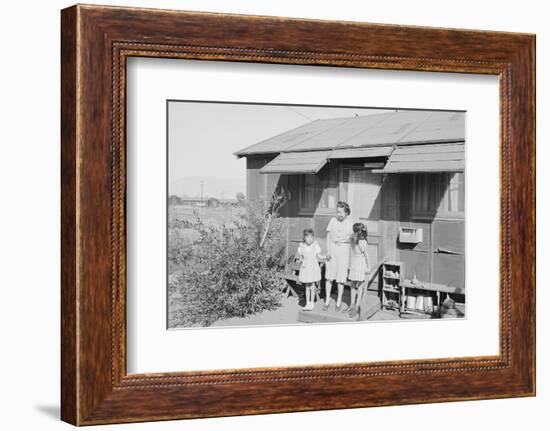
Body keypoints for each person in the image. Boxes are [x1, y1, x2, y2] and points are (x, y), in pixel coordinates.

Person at [324, 201, 354, 312]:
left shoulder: (350, 223)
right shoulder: (333, 221)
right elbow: (328, 236)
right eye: (338, 212)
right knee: (329, 276)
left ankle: (338, 301)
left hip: (343, 250)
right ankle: (327, 300)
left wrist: (343, 240)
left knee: (341, 277)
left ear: (346, 212)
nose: (339, 214)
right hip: (332, 249)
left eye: (341, 212)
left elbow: (352, 239)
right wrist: (328, 251)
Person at [346, 222, 370, 318]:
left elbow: (366, 255)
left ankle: (357, 306)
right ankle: (351, 304)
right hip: (354, 262)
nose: (354, 232)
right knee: (352, 284)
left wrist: (368, 267)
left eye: (356, 231)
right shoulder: (354, 240)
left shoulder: (362, 242)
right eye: (353, 231)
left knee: (359, 286)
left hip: (361, 263)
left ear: (360, 231)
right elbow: (349, 239)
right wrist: (352, 237)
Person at [296, 228, 324, 311]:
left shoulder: (315, 246)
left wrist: (325, 258)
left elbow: (319, 256)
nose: (310, 239)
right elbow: (301, 257)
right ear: (304, 238)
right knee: (307, 286)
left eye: (311, 237)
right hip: (306, 268)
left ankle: (312, 303)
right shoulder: (302, 246)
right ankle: (307, 303)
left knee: (312, 286)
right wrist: (300, 261)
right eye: (308, 237)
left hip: (313, 268)